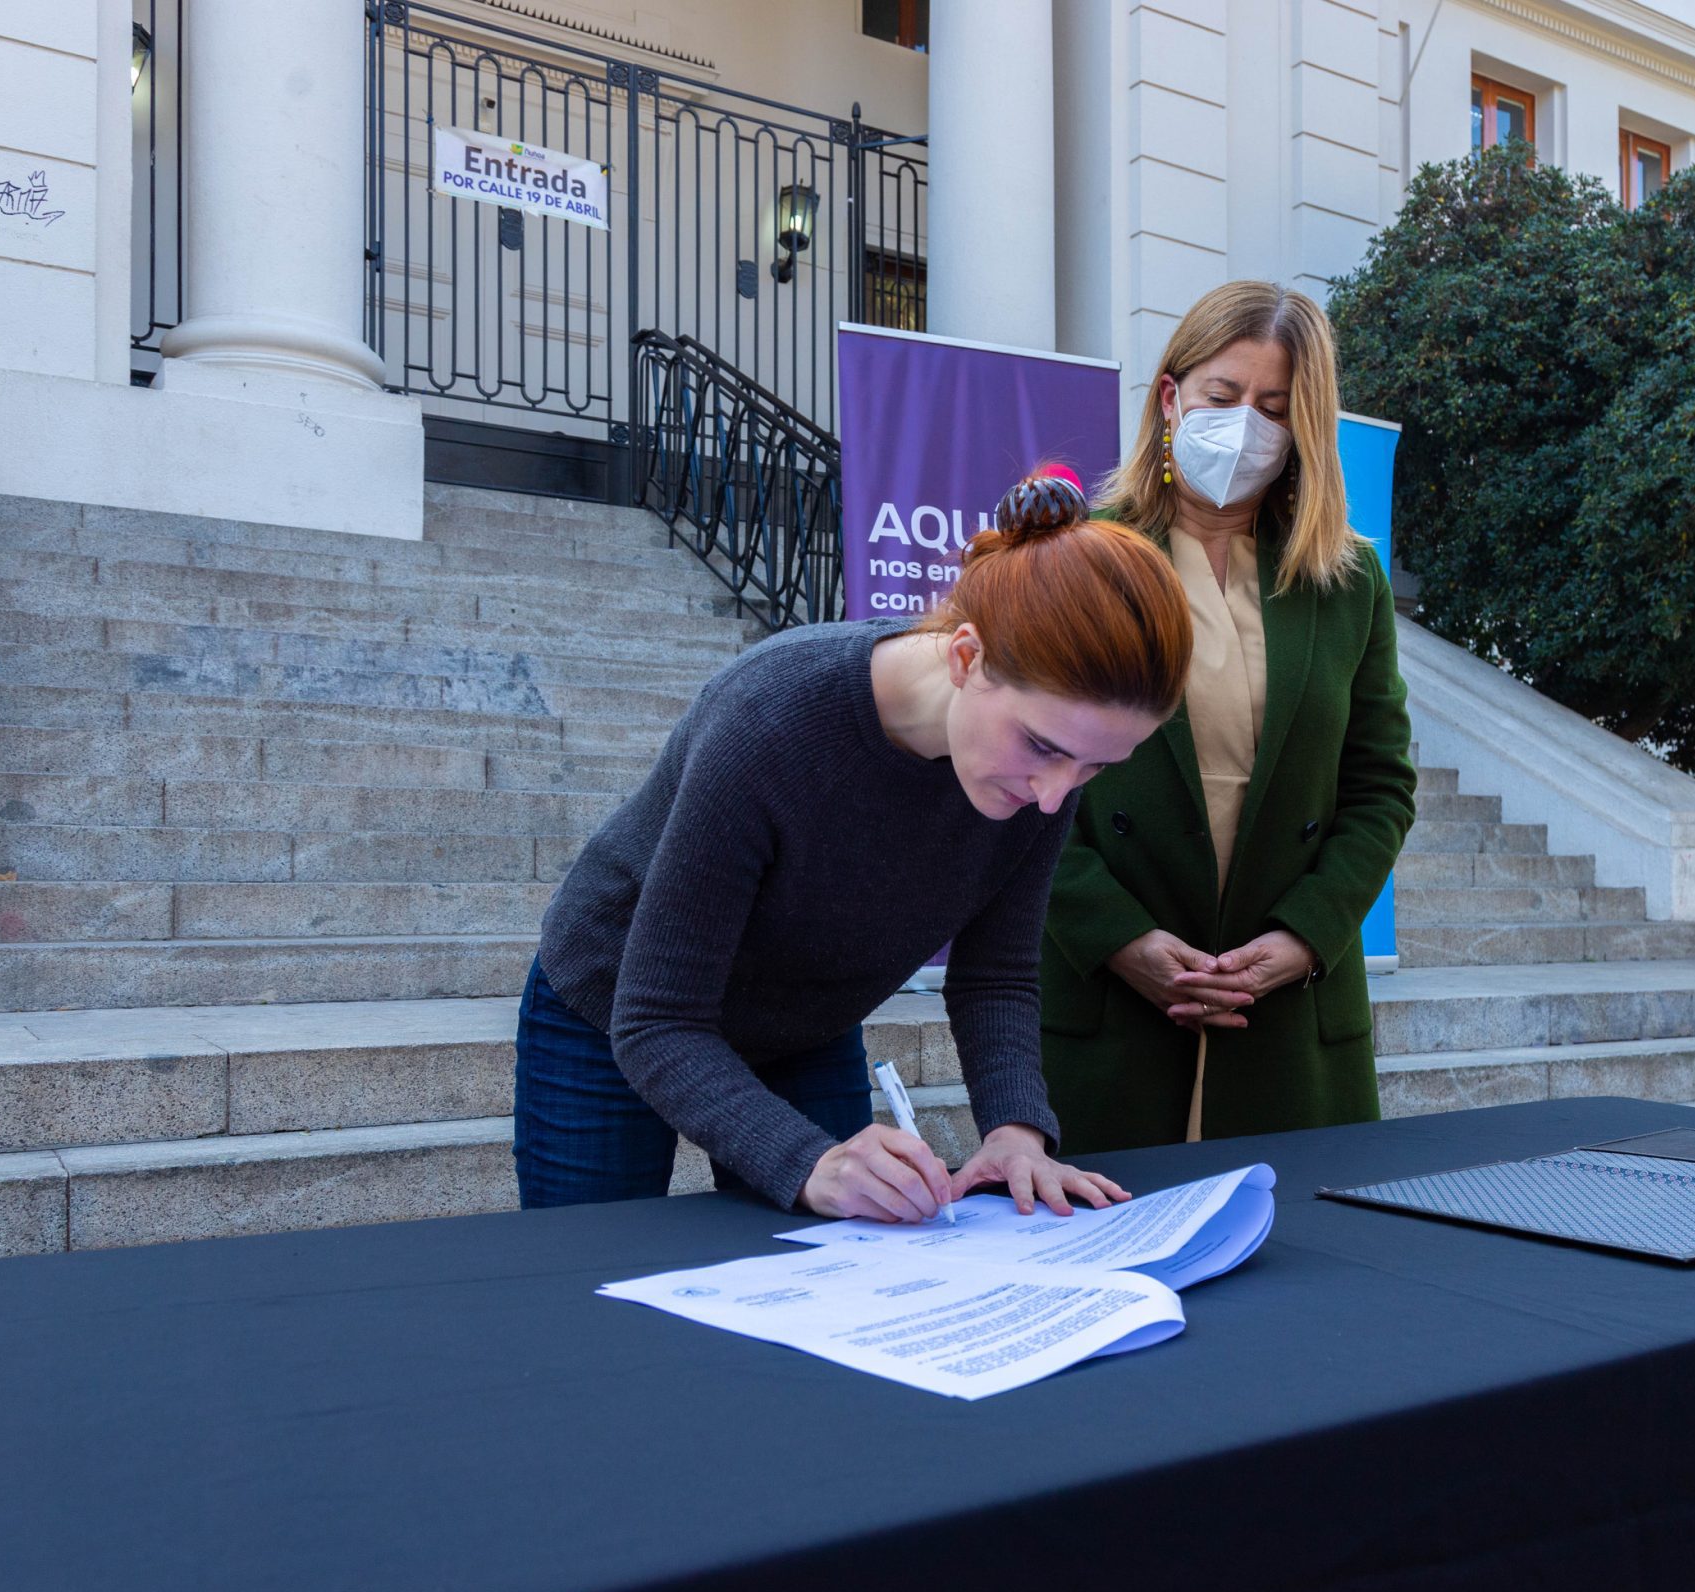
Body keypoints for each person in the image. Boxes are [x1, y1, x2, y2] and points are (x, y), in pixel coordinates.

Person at [516, 473, 1193, 1221]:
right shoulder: (767, 718)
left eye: (1096, 766)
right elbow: (657, 1020)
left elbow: (995, 973)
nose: (1054, 795)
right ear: (967, 659)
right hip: (613, 1009)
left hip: (807, 1018)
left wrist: (1015, 1130)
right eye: (1042, 745)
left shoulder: (1043, 772)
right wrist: (810, 1161)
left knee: (829, 1282)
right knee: (593, 1270)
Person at [1041, 281, 1416, 1151]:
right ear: (1171, 397)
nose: (1246, 425)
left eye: (1275, 408)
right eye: (1223, 396)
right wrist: (1121, 938)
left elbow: (1381, 787)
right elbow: (1021, 779)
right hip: (1112, 1006)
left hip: (1285, 1015)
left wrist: (1306, 934)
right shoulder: (1080, 555)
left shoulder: (1349, 580)